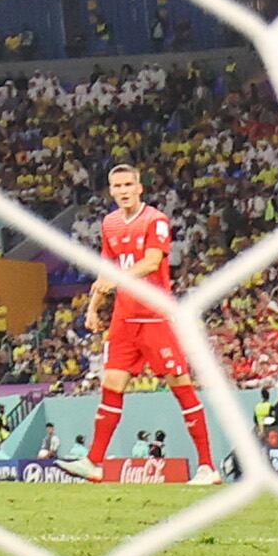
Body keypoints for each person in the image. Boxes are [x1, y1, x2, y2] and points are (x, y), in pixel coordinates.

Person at [84, 164, 218, 482]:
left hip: (154, 316)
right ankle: (93, 462)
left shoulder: (155, 220)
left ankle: (207, 466)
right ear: (111, 190)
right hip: (124, 319)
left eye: (128, 184)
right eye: (118, 186)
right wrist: (93, 308)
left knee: (181, 386)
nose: (123, 190)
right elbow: (106, 269)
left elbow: (152, 262)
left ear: (139, 187)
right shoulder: (109, 223)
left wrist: (117, 280)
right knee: (111, 386)